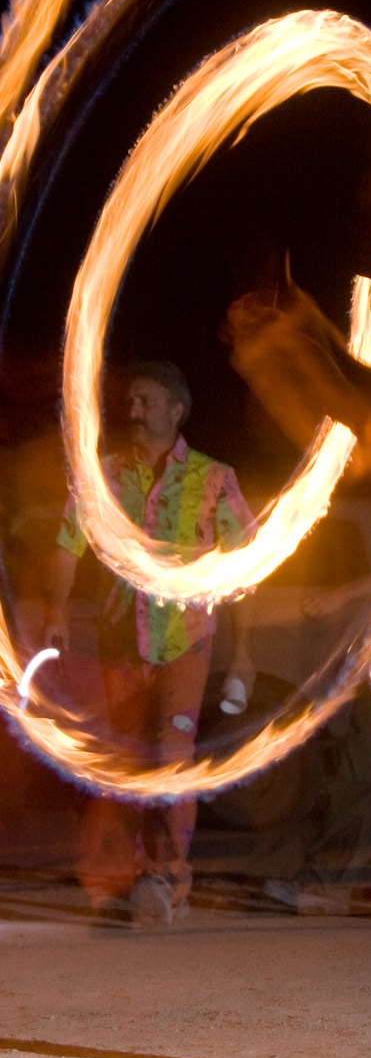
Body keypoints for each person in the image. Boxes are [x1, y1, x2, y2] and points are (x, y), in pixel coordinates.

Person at [46, 361, 255, 928]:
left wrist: (244, 653)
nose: (133, 411)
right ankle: (127, 874)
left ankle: (165, 876)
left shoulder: (215, 478)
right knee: (128, 760)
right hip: (121, 644)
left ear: (177, 410)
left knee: (170, 754)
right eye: (130, 400)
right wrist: (60, 610)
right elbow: (68, 545)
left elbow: (245, 571)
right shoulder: (103, 477)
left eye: (146, 401)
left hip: (184, 643)